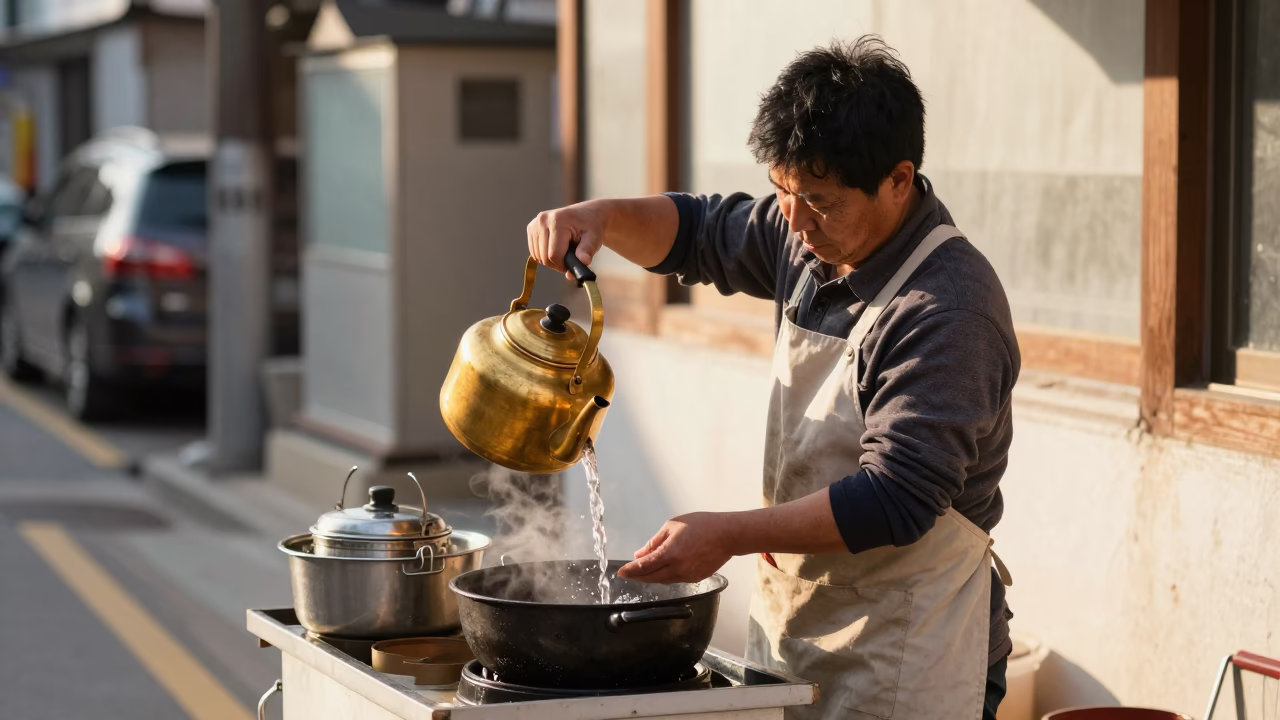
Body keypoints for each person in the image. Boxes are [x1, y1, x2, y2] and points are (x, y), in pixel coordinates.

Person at [526, 37, 1018, 720]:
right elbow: (695, 233)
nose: (794, 218)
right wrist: (602, 219)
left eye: (818, 200)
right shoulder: (809, 234)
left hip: (917, 643)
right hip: (803, 625)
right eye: (782, 191)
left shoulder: (947, 308)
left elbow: (897, 498)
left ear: (899, 180)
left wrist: (728, 533)